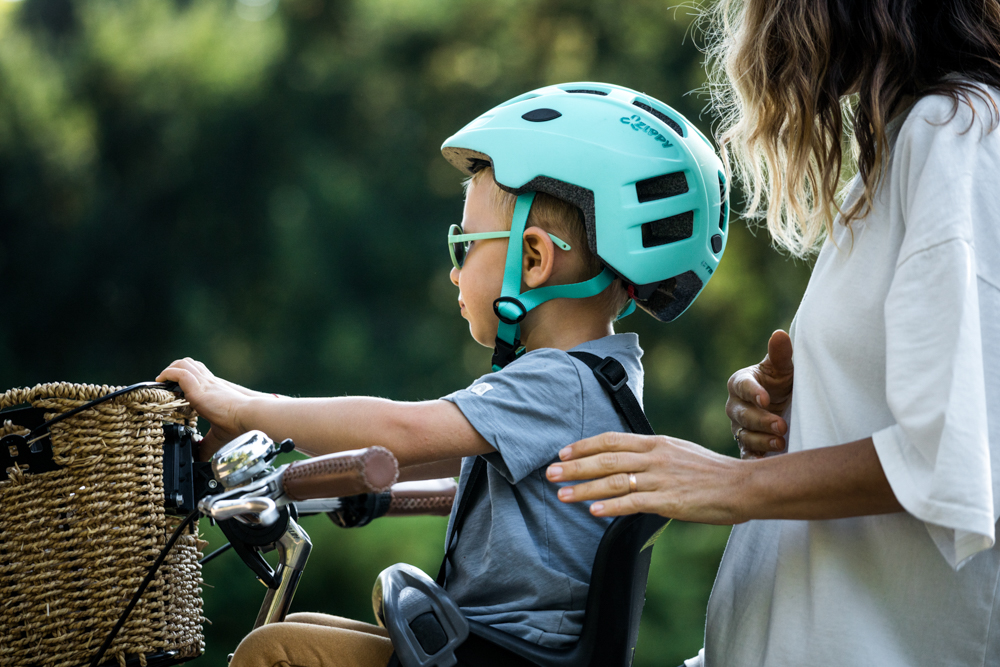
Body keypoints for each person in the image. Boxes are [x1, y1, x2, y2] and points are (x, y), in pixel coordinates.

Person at [158, 82, 728, 667]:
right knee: (306, 630)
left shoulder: (561, 383)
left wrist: (241, 404)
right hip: (496, 651)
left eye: (465, 246)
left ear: (532, 259)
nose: (455, 275)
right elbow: (466, 470)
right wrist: (376, 494)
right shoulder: (602, 379)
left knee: (278, 651)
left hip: (503, 658)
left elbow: (401, 432)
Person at [544, 1, 1000, 665]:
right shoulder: (900, 154)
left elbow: (954, 455)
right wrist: (800, 410)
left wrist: (730, 483)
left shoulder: (958, 136)